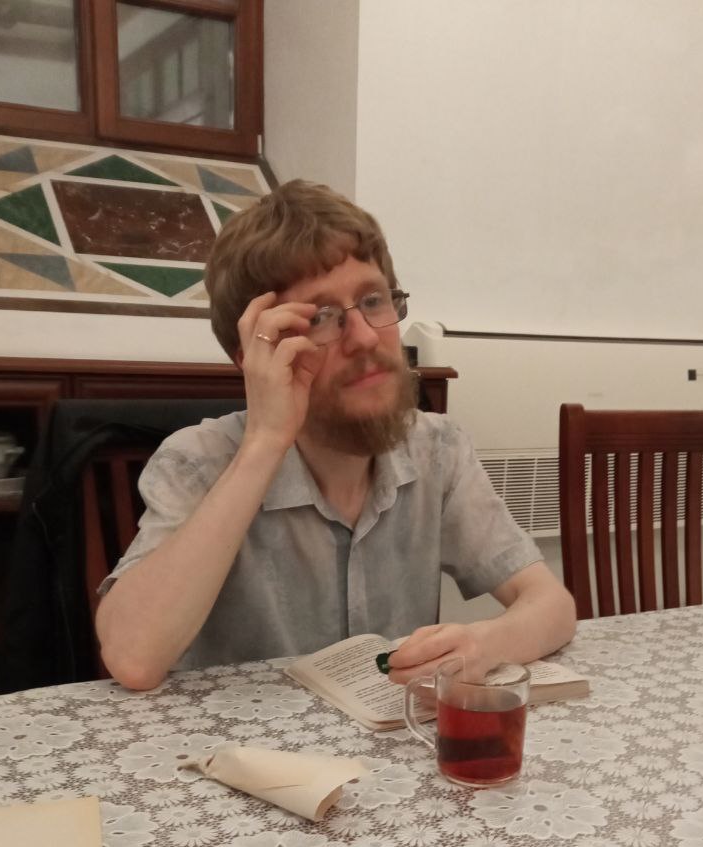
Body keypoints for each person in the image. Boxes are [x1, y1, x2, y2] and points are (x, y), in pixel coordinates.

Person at [96, 181, 576, 690]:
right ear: (255, 356)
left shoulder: (437, 449)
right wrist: (264, 442)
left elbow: (552, 605)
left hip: (393, 736)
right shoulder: (198, 461)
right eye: (320, 318)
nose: (366, 337)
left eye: (373, 300)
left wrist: (484, 645)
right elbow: (133, 658)